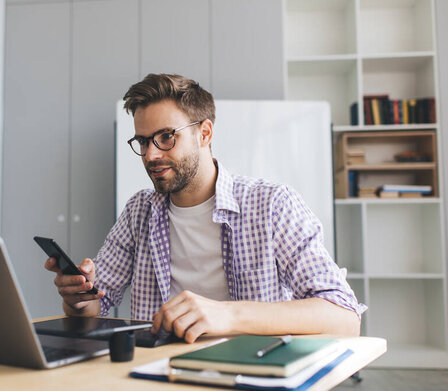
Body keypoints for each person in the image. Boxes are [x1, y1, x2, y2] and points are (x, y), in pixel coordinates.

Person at [45, 73, 366, 343]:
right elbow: (97, 307)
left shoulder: (273, 205)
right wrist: (78, 299)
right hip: (156, 375)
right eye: (143, 142)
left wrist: (228, 314)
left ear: (205, 133)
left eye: (166, 137)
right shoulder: (138, 212)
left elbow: (344, 317)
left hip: (248, 374)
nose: (151, 155)